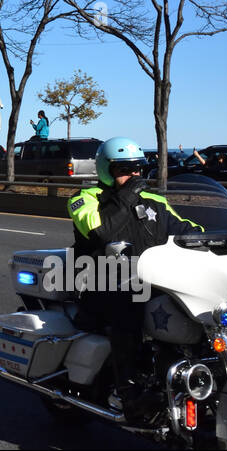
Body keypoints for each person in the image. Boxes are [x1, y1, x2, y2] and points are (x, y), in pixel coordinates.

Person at [67, 136, 202, 419]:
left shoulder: (155, 201)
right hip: (99, 283)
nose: (133, 176)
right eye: (123, 170)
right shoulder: (85, 199)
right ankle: (128, 393)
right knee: (127, 304)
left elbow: (191, 229)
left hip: (151, 280)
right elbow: (100, 232)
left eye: (137, 169)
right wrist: (127, 195)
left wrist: (222, 240)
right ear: (106, 170)